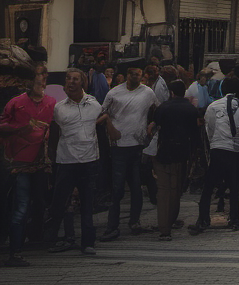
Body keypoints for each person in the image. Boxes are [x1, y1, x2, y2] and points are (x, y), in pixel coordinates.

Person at [46, 68, 106, 255]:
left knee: (87, 203)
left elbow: (100, 125)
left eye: (75, 79)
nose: (71, 82)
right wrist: (52, 157)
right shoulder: (59, 108)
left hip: (89, 161)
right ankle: (53, 239)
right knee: (59, 203)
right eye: (68, 79)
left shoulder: (94, 105)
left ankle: (88, 242)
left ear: (82, 83)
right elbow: (55, 134)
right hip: (66, 161)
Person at [1, 64, 55, 266]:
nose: (42, 79)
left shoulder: (52, 102)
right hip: (20, 163)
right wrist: (23, 128)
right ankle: (15, 251)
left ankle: (34, 238)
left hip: (43, 163)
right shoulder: (16, 103)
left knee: (40, 202)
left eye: (44, 75)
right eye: (39, 75)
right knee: (20, 206)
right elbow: (3, 127)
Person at [99, 65, 156, 241]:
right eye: (132, 73)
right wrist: (110, 126)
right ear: (126, 75)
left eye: (138, 74)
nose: (135, 77)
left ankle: (134, 221)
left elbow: (157, 110)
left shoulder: (147, 93)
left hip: (137, 145)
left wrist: (152, 125)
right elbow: (102, 115)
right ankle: (112, 225)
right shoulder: (114, 93)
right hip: (118, 147)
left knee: (136, 186)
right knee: (117, 188)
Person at [191, 77, 239, 233]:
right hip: (233, 152)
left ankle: (203, 219)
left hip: (217, 150)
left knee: (208, 186)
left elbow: (209, 128)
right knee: (234, 186)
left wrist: (213, 145)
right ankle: (234, 218)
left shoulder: (213, 106)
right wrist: (237, 150)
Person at [149, 80, 198, 240]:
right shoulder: (190, 109)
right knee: (176, 189)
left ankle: (164, 229)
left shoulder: (163, 107)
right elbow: (194, 133)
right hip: (182, 153)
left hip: (163, 151)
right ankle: (171, 220)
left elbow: (156, 126)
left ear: (171, 92)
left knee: (163, 190)